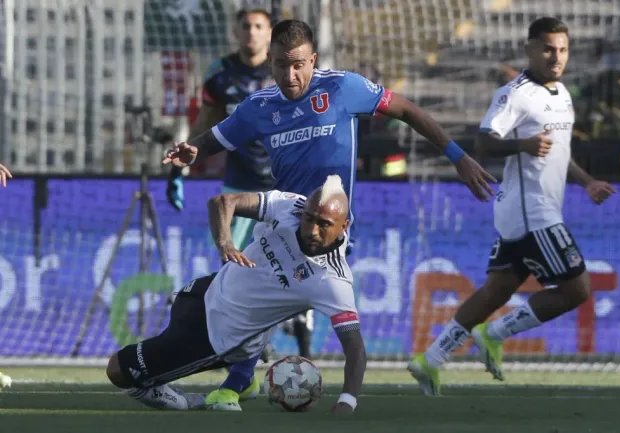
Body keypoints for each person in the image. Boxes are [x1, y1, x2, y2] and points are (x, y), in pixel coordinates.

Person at [162, 18, 495, 405]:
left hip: (326, 229)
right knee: (256, 297)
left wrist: (458, 157)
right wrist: (193, 150)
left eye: (299, 63)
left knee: (268, 298)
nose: (291, 74)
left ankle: (242, 381)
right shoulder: (258, 108)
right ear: (269, 62)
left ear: (313, 60)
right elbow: (216, 137)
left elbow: (407, 111)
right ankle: (240, 378)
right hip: (280, 218)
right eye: (282, 64)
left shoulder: (341, 88)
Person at [407, 17, 617, 396]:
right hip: (531, 210)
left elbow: (559, 154)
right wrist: (521, 145)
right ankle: (497, 332)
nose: (556, 57)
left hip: (529, 209)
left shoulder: (563, 94)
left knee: (496, 291)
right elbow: (484, 141)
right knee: (578, 290)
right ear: (530, 48)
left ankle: (431, 359)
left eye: (563, 50)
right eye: (549, 48)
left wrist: (587, 183)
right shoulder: (514, 94)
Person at [106, 175, 365, 414]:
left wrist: (347, 402)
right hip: (202, 292)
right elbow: (223, 201)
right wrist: (226, 243)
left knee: (120, 369)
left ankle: (184, 401)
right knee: (160, 347)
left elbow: (355, 349)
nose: (311, 230)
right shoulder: (290, 206)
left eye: (324, 225)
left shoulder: (333, 280)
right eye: (309, 218)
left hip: (214, 337)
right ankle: (246, 370)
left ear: (345, 225)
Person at [166, 8, 314, 363]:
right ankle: (244, 350)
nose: (251, 32)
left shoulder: (287, 70)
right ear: (236, 31)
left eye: (259, 26)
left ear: (270, 33)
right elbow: (207, 122)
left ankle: (306, 356)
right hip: (241, 188)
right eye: (245, 26)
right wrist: (184, 166)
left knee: (299, 268)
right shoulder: (221, 74)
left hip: (286, 187)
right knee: (234, 270)